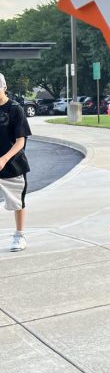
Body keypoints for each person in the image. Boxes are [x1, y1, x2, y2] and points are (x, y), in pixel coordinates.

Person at [0, 73, 32, 252]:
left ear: (4, 87)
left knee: (18, 201)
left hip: (13, 163)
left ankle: (19, 236)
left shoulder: (15, 108)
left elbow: (21, 140)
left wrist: (4, 159)